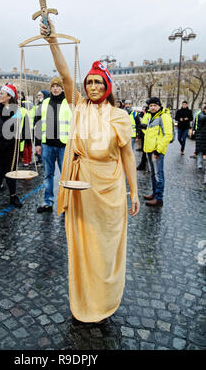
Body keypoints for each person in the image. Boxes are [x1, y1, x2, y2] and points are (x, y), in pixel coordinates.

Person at [40, 20, 140, 323]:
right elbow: (66, 74)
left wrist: (133, 191)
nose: (93, 87)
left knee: (105, 247)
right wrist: (52, 41)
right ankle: (83, 301)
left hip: (109, 189)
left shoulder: (120, 116)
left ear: (107, 87)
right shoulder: (79, 106)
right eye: (90, 82)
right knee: (83, 246)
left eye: (99, 83)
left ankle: (105, 301)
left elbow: (128, 156)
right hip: (80, 184)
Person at [36, 77, 72, 213]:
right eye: (53, 86)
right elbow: (38, 123)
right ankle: (48, 202)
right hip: (47, 144)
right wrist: (38, 143)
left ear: (62, 88)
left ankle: (65, 204)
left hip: (64, 145)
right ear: (50, 88)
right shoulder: (44, 103)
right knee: (48, 174)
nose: (55, 88)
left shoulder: (68, 103)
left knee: (65, 176)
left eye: (58, 86)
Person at [142, 97, 173, 207]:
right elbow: (147, 130)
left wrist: (158, 150)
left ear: (159, 106)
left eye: (155, 105)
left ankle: (159, 198)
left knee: (158, 174)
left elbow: (168, 135)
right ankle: (154, 194)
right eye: (150, 106)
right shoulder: (151, 116)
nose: (152, 107)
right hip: (149, 149)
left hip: (157, 150)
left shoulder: (164, 117)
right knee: (153, 174)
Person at [33, 90, 50, 165]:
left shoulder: (46, 106)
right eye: (38, 96)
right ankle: (40, 159)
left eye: (40, 95)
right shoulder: (38, 105)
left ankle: (42, 160)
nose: (38, 97)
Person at [136, 104, 149, 171]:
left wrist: (144, 126)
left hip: (148, 135)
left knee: (147, 152)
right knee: (144, 151)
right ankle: (143, 165)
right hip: (144, 134)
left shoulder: (149, 114)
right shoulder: (146, 114)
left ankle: (146, 166)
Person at [195, 103, 206, 171]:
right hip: (201, 136)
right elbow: (201, 118)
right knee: (199, 151)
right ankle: (199, 164)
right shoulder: (200, 114)